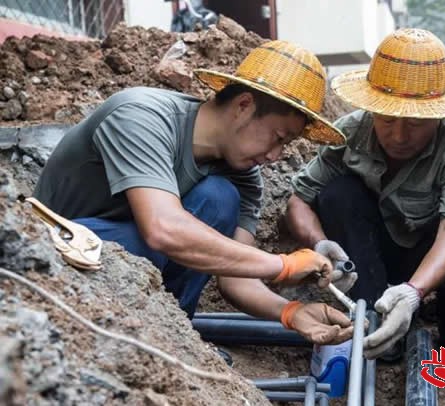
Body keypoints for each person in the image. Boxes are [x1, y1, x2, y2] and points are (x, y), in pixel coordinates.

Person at [33, 40, 354, 345]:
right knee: (200, 211)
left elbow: (235, 275)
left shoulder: (243, 176)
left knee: (218, 197)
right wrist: (283, 265)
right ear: (244, 105)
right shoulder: (141, 116)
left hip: (127, 261)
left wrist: (290, 312)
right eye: (278, 137)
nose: (275, 156)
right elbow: (164, 230)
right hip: (53, 262)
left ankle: (171, 336)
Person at [285, 28, 445, 359]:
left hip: (437, 247)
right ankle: (373, 317)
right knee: (337, 195)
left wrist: (413, 293)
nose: (399, 135)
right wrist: (321, 247)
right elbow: (298, 201)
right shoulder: (352, 131)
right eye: (388, 119)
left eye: (415, 123)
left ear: (438, 115)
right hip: (381, 248)